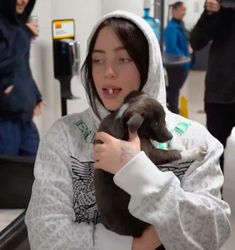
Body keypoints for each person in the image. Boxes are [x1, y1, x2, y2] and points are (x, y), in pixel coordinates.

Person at [25, 10, 231, 250]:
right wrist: (131, 245)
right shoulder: (64, 136)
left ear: (147, 64)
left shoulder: (194, 140)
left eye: (123, 59)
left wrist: (135, 170)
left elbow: (211, 234)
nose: (108, 72)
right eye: (97, 60)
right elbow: (44, 235)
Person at [190, 0, 235, 171]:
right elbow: (196, 41)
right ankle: (214, 195)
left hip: (219, 91)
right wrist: (210, 14)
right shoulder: (220, 12)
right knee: (215, 154)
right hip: (219, 95)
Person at [0, 0, 42, 156]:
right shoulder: (14, 30)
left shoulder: (18, 28)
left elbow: (22, 66)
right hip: (4, 120)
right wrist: (23, 33)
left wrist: (35, 95)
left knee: (34, 172)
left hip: (24, 117)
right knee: (7, 175)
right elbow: (6, 62)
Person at [163, 1, 191, 114]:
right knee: (173, 92)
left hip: (183, 65)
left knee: (175, 91)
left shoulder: (180, 26)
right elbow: (172, 49)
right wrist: (184, 61)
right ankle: (173, 113)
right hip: (177, 67)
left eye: (185, 10)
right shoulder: (171, 28)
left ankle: (174, 111)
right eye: (182, 10)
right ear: (174, 11)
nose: (184, 13)